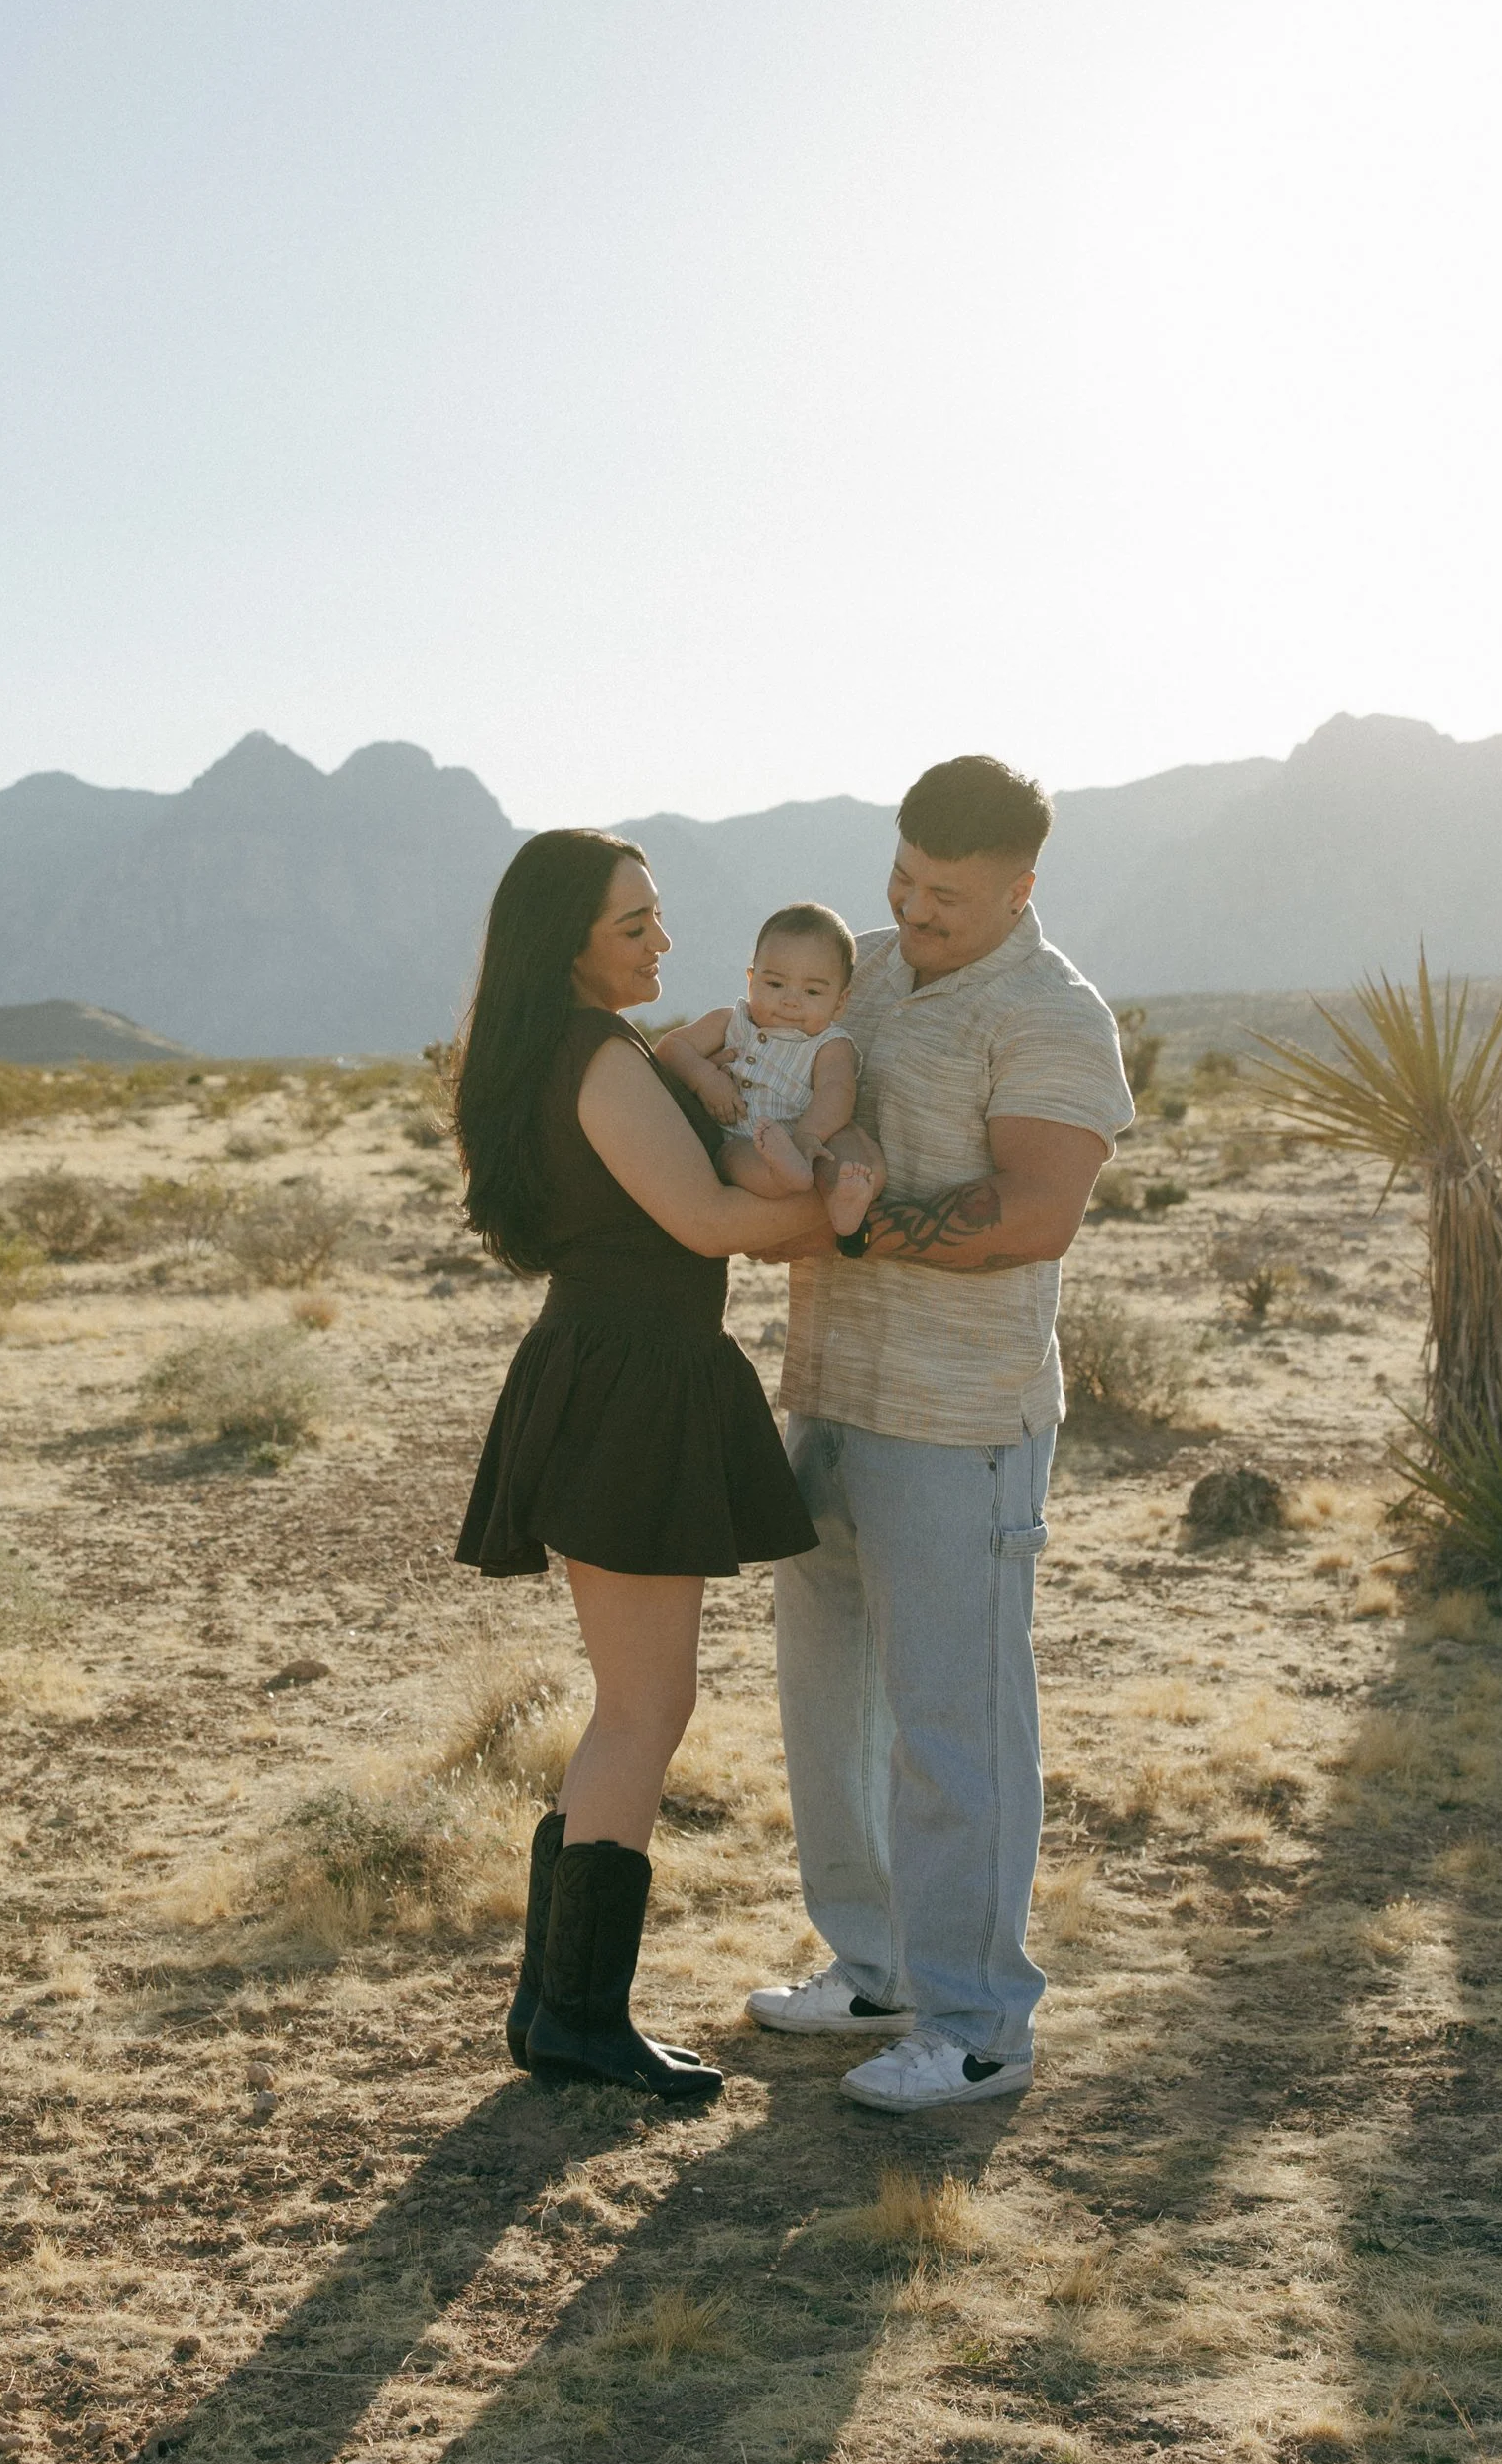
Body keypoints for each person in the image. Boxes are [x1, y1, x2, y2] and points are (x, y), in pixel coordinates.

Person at [747, 754, 1134, 2111]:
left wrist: (854, 1221)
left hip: (959, 1419)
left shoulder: (1050, 1013)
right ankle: (875, 1969)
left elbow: (1033, 1213)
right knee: (827, 1704)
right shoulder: (851, 965)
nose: (914, 910)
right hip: (830, 1392)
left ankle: (976, 2026)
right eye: (903, 879)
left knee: (951, 1726)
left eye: (947, 896)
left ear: (1020, 888)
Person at [454, 831, 828, 2104]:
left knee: (633, 1704)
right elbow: (708, 1220)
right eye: (634, 927)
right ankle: (578, 2017)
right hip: (629, 1385)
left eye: (658, 919)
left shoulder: (574, 1049)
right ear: (566, 942)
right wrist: (846, 1213)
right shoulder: (599, 1057)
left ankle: (553, 2005)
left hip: (617, 1372)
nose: (662, 944)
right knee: (643, 1710)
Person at [656, 903, 885, 1234]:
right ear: (751, 980)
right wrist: (705, 1079)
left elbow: (837, 1093)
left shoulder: (830, 1044)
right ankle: (785, 1174)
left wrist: (808, 1136)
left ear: (840, 1002)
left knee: (841, 1150)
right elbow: (671, 1048)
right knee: (731, 1159)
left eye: (812, 991)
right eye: (775, 985)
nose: (790, 1001)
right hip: (742, 1137)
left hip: (810, 1134)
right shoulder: (731, 1022)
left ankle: (843, 1201)